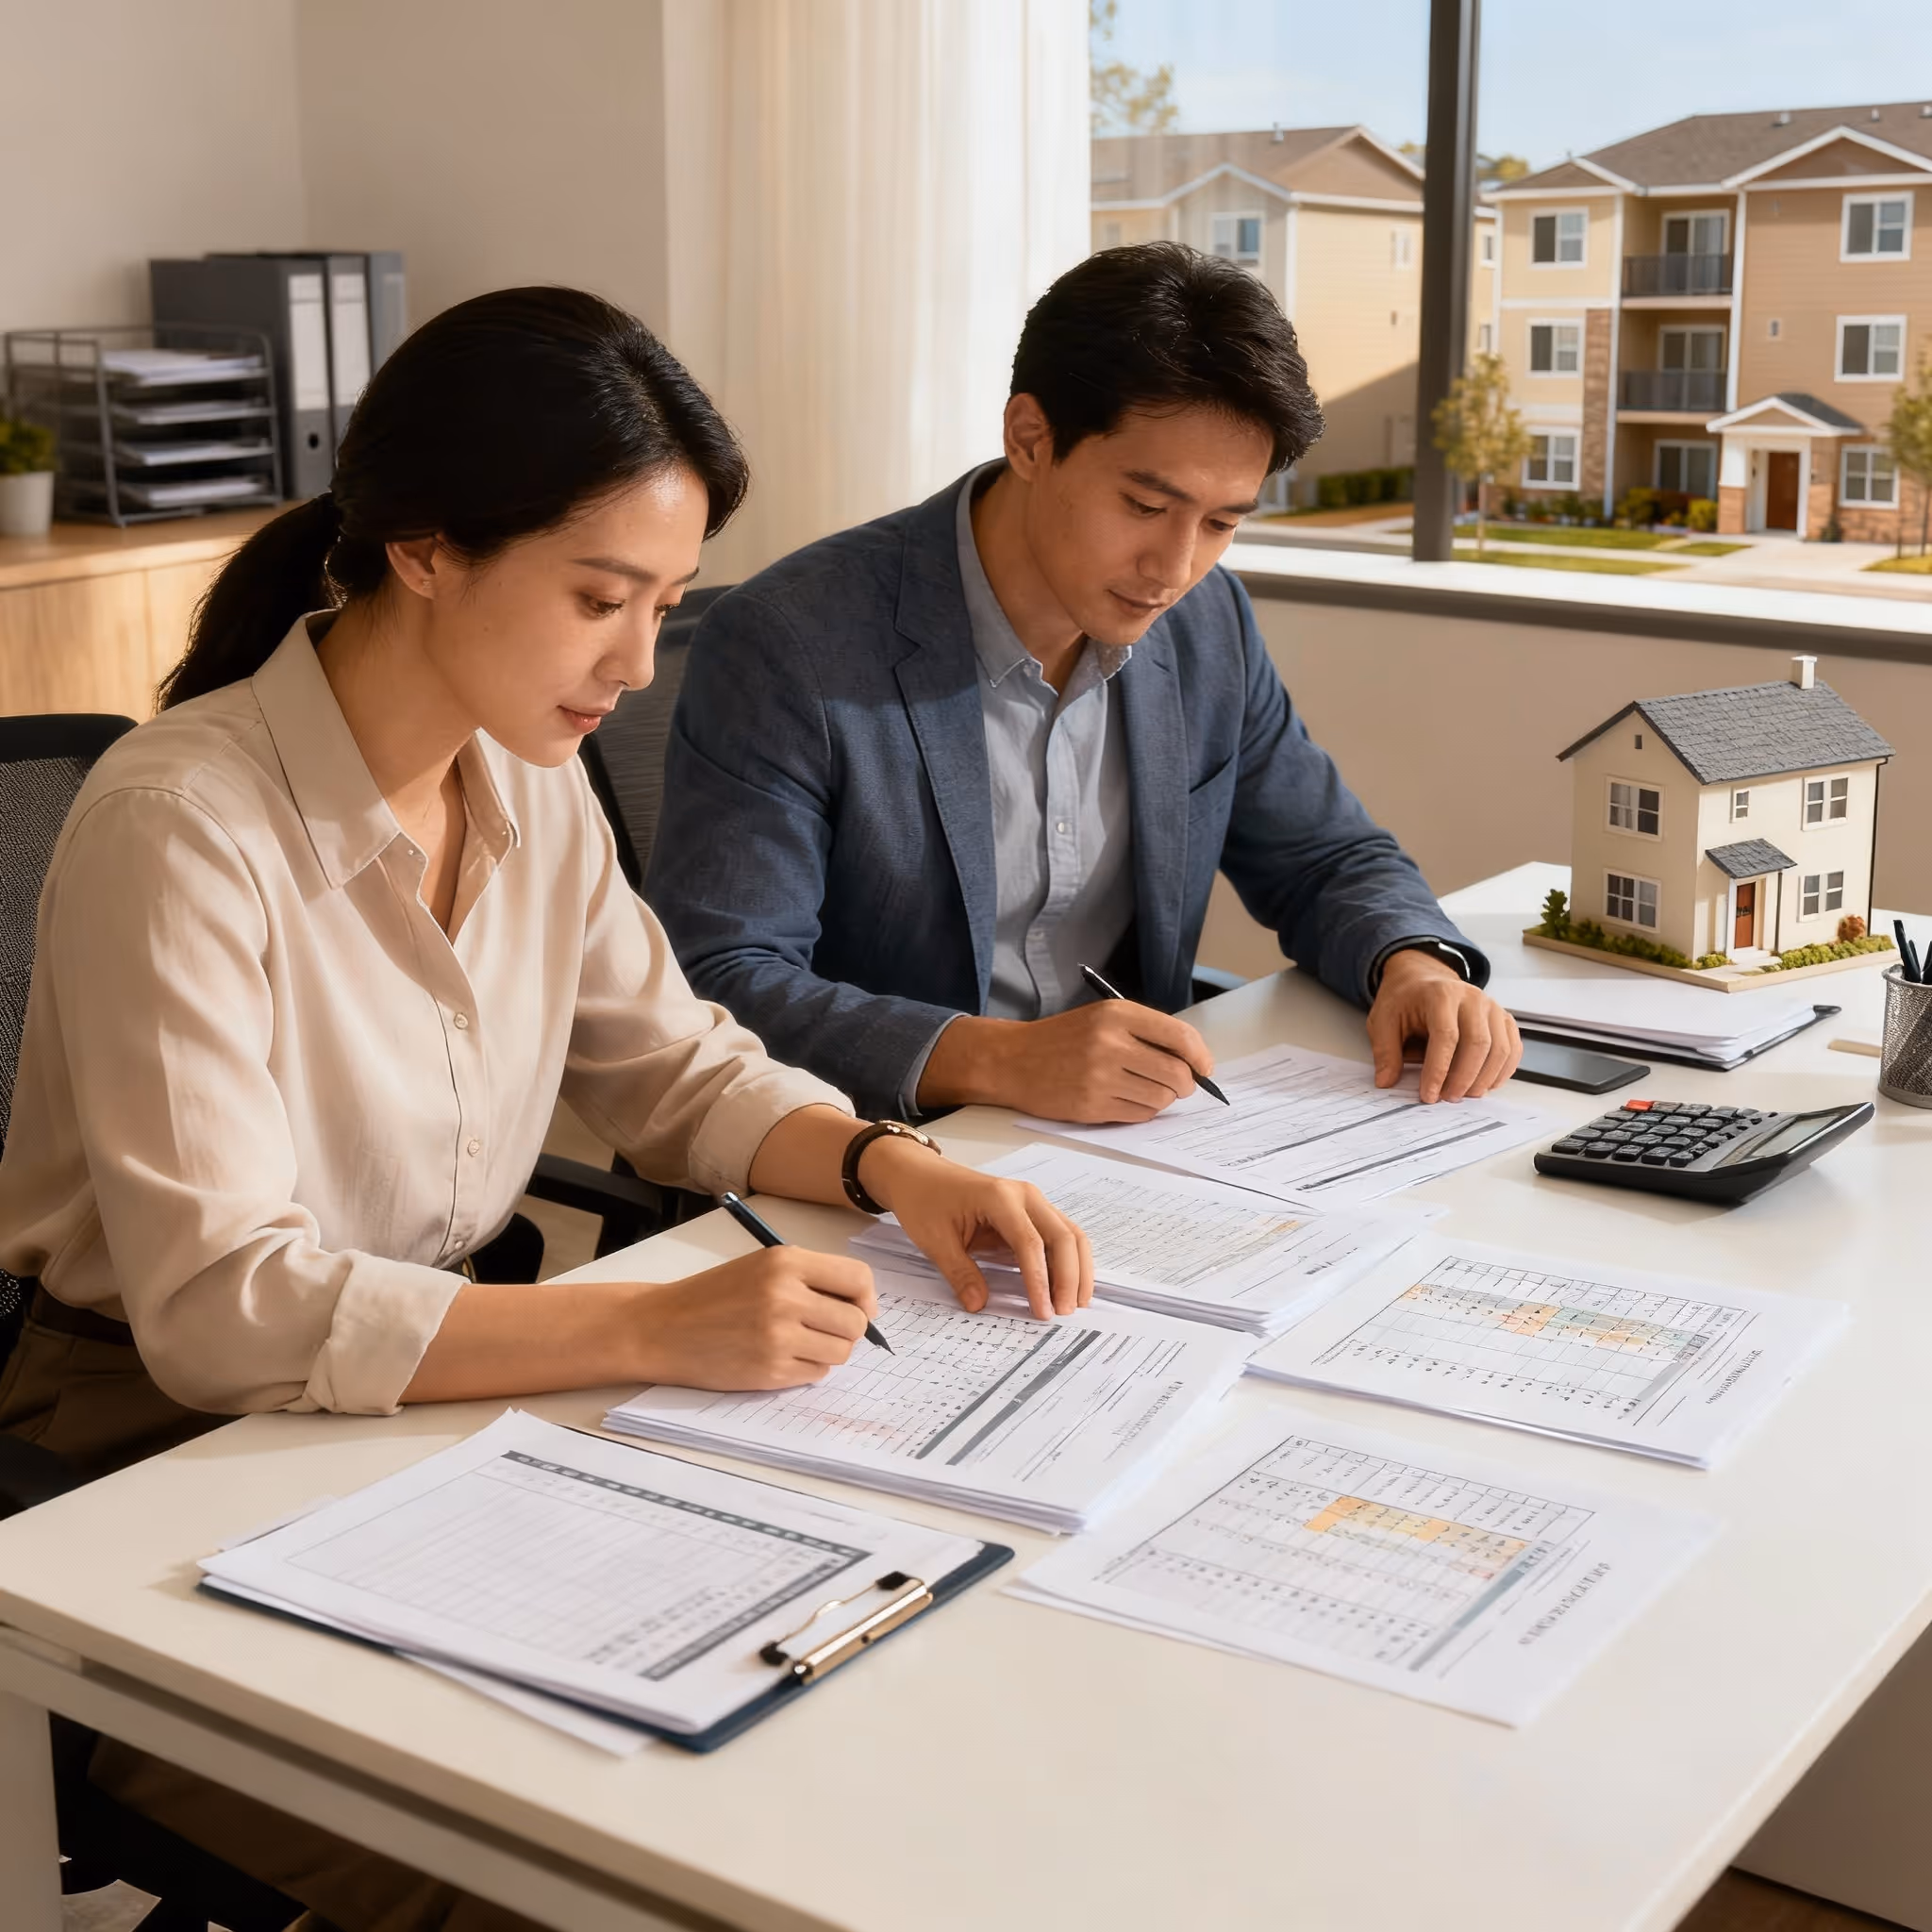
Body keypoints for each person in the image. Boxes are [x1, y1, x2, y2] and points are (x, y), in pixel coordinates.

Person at [0, 287, 1088, 1932]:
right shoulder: (184, 825)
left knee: (827, 1752)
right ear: (425, 548)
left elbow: (674, 1069)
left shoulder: (522, 772)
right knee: (602, 1883)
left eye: (662, 602)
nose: (637, 662)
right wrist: (650, 1328)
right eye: (599, 597)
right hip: (143, 1476)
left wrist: (885, 1162)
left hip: (416, 1432)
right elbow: (227, 1311)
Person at [646, 242, 1521, 1128]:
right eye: (1145, 506)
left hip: (1128, 1144)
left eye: (1220, 522)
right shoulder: (791, 643)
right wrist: (1000, 1058)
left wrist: (1411, 961)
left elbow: (1324, 854)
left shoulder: (1207, 623)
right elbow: (721, 980)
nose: (1176, 567)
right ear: (1031, 439)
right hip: (870, 1149)